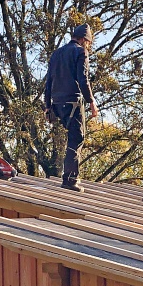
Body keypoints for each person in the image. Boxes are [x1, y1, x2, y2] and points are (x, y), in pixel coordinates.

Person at [44, 23, 99, 192]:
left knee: (71, 139)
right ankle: (69, 179)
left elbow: (49, 82)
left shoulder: (57, 54)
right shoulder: (81, 52)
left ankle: (68, 175)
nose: (88, 45)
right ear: (84, 39)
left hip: (57, 103)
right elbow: (83, 79)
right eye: (88, 42)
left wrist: (47, 107)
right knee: (77, 138)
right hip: (73, 102)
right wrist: (91, 102)